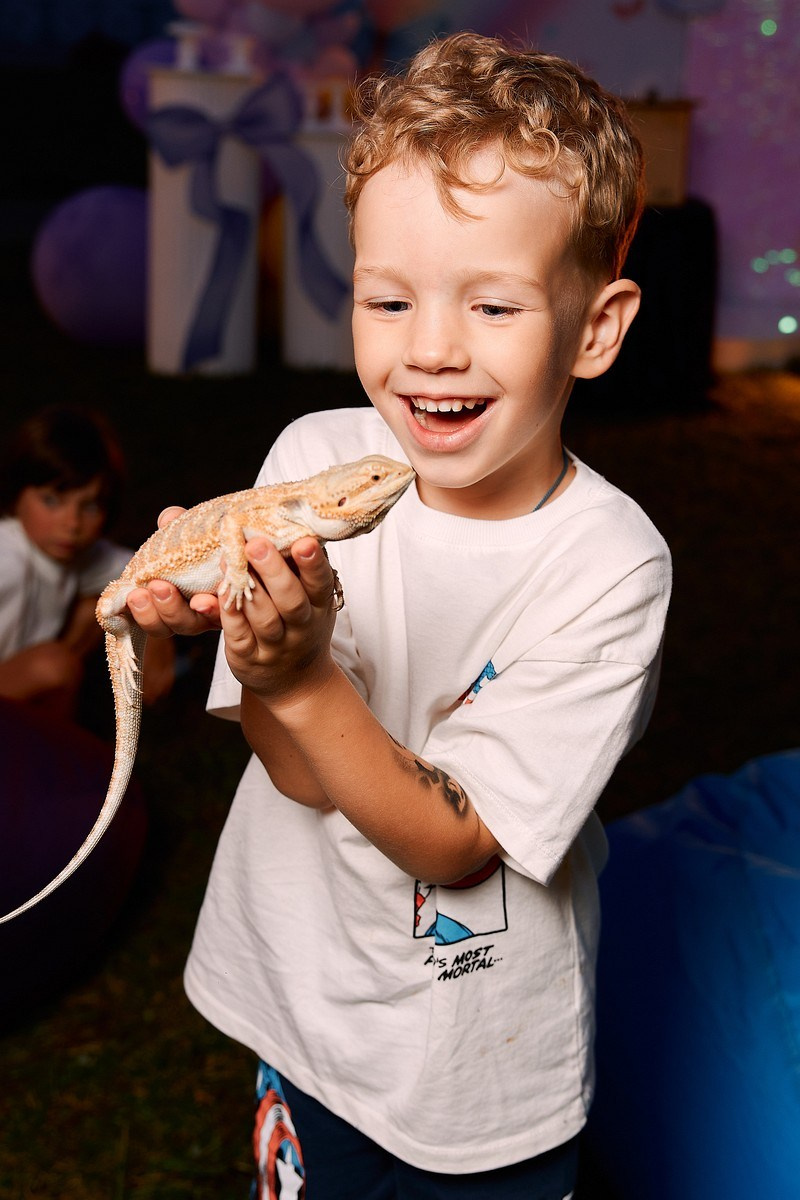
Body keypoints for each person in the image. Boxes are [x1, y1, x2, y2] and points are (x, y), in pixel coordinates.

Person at [127, 32, 672, 1200]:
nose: (429, 349)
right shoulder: (309, 458)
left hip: (478, 1069)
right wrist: (267, 668)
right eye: (386, 299)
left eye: (492, 304)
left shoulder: (607, 565)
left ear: (594, 328)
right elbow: (293, 770)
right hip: (304, 1005)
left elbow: (455, 847)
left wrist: (303, 679)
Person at [0, 405, 173, 714]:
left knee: (107, 603)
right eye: (51, 500)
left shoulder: (79, 554)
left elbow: (145, 570)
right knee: (53, 665)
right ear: (16, 492)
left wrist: (158, 638)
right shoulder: (8, 559)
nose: (72, 523)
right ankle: (54, 740)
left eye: (90, 506)